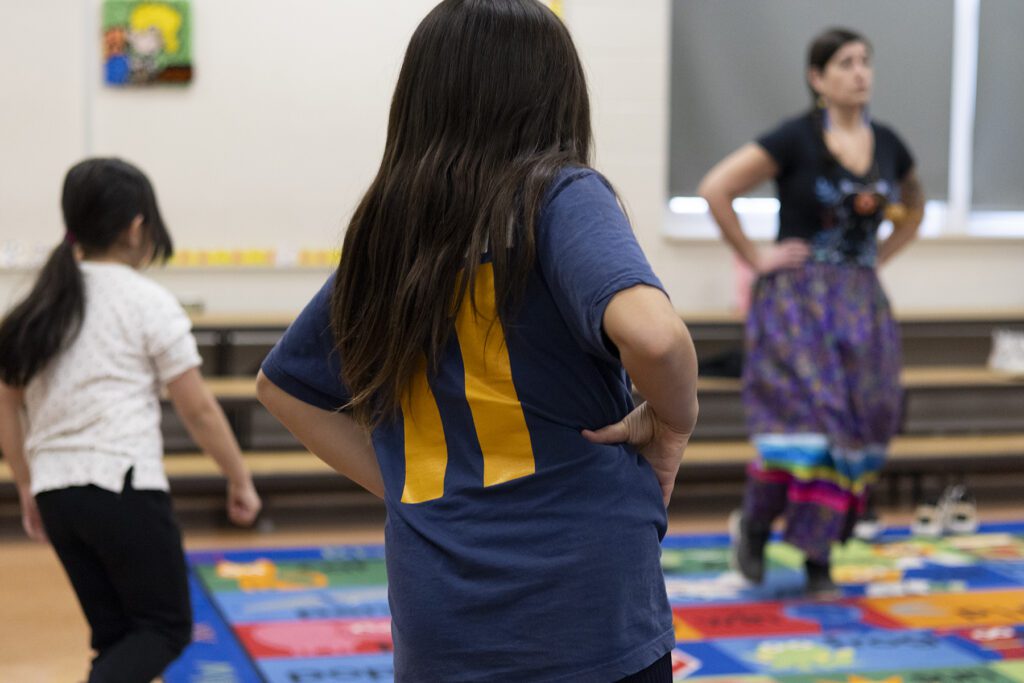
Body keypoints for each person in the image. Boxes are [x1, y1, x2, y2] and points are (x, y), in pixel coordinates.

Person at [256, 1, 699, 680]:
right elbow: (657, 337)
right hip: (583, 606)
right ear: (556, 93)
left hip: (441, 613)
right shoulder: (558, 194)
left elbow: (284, 389)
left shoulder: (389, 232)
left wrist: (406, 485)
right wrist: (673, 423)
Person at [0, 158, 262, 682]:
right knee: (164, 629)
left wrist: (28, 486)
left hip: (57, 494)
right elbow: (199, 409)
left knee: (119, 637)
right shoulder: (148, 302)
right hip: (121, 486)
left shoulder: (37, 307)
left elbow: (7, 403)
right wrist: (239, 478)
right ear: (137, 226)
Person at [698, 27, 925, 595]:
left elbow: (914, 207)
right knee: (813, 429)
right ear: (817, 78)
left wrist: (876, 260)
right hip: (795, 306)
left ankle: (766, 528)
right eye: (845, 63)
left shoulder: (890, 145)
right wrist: (755, 256)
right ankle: (803, 554)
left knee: (862, 424)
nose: (859, 72)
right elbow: (715, 188)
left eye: (865, 61)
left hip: (860, 308)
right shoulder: (794, 139)